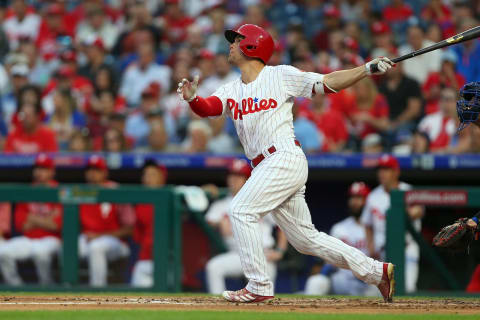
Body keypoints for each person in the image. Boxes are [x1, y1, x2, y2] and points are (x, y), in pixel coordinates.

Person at [177, 23, 395, 303]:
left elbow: (327, 82)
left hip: (282, 156)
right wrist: (193, 98)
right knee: (306, 240)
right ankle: (376, 271)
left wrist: (365, 69)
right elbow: (209, 108)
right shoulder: (231, 88)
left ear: (252, 45)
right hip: (266, 164)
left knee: (241, 210)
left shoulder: (281, 75)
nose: (230, 45)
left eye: (236, 39)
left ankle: (258, 285)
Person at [205, 159, 287, 294]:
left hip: (262, 255)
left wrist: (279, 251)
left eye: (239, 176)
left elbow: (282, 225)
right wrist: (207, 195)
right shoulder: (221, 204)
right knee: (213, 267)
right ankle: (217, 308)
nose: (234, 179)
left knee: (263, 296)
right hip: (237, 255)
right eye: (232, 175)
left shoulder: (260, 201)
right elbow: (208, 221)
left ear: (248, 179)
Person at [361, 155, 424, 293]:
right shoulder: (373, 196)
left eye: (387, 169)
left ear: (396, 172)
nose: (382, 173)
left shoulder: (408, 191)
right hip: (381, 254)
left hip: (405, 250)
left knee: (407, 288)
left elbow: (418, 211)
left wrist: (409, 211)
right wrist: (370, 245)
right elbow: (367, 224)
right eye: (380, 169)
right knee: (372, 295)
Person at [305, 182, 378, 296]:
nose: (354, 202)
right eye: (352, 197)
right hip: (343, 279)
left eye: (359, 198)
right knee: (316, 282)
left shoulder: (377, 228)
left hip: (368, 282)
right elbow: (329, 260)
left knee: (376, 290)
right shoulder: (340, 228)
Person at [0, 153, 62, 286]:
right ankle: (16, 287)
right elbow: (21, 225)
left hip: (52, 239)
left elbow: (57, 225)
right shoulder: (28, 190)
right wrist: (46, 220)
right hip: (29, 239)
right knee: (2, 252)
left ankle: (47, 287)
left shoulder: (60, 190)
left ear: (52, 172)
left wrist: (32, 218)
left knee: (41, 252)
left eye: (44, 168)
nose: (39, 172)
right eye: (37, 168)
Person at [79, 155, 134, 287]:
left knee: (96, 247)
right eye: (90, 170)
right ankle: (64, 290)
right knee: (68, 247)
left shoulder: (115, 190)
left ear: (105, 173)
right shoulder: (80, 192)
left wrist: (100, 236)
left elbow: (130, 228)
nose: (92, 174)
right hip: (88, 238)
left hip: (116, 242)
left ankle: (97, 291)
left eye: (96, 170)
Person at [131, 159, 167, 287]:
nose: (148, 178)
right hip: (146, 260)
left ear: (161, 178)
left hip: (169, 262)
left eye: (152, 175)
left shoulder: (171, 197)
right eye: (145, 175)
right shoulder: (141, 204)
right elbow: (137, 237)